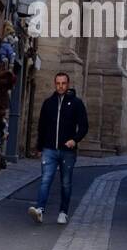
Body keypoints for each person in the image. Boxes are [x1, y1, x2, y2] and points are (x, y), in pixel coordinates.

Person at [30, 71, 88, 225]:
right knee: (45, 179)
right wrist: (40, 147)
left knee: (66, 182)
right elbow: (41, 126)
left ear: (67, 84)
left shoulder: (76, 103)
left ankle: (63, 212)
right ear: (55, 84)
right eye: (58, 83)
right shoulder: (48, 103)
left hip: (67, 151)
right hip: (49, 149)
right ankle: (40, 210)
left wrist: (75, 140)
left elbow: (84, 126)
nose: (60, 86)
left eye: (63, 83)